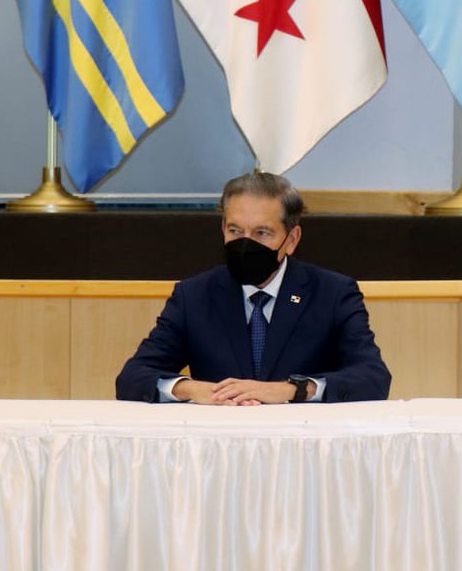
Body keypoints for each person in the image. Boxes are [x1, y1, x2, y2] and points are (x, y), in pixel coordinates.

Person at [116, 172, 391, 404]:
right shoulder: (194, 296)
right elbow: (132, 377)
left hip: (300, 442)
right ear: (222, 229)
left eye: (262, 233)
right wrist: (193, 390)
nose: (245, 244)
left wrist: (293, 390)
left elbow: (373, 378)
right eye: (235, 231)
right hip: (220, 442)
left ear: (292, 239)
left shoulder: (332, 293)